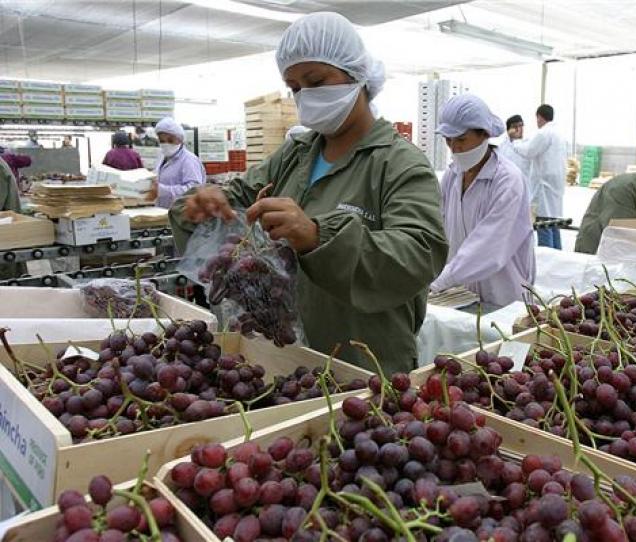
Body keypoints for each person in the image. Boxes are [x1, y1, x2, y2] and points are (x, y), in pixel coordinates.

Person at [169, 12, 448, 373]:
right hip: (282, 360)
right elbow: (233, 199)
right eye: (296, 87)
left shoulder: (398, 164)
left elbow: (419, 253)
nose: (305, 95)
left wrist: (318, 236)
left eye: (316, 80)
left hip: (364, 367)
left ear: (356, 73)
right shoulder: (295, 155)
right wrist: (201, 205)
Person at [430, 94, 534, 307]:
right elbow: (437, 228)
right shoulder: (452, 176)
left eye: (461, 140)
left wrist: (440, 280)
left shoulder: (507, 181)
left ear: (485, 134)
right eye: (448, 140)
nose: (454, 147)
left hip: (503, 298)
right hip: (461, 295)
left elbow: (488, 245)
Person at [510, 105, 567, 249]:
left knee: (543, 224)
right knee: (554, 224)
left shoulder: (543, 133)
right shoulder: (559, 134)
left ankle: (548, 260)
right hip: (555, 186)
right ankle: (557, 258)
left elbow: (529, 151)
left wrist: (515, 142)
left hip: (544, 186)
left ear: (539, 117)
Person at [152, 117, 206, 208]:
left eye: (170, 140)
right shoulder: (162, 157)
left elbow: (194, 190)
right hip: (163, 212)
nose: (166, 144)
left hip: (182, 215)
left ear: (180, 139)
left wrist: (163, 190)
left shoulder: (189, 160)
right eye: (162, 141)